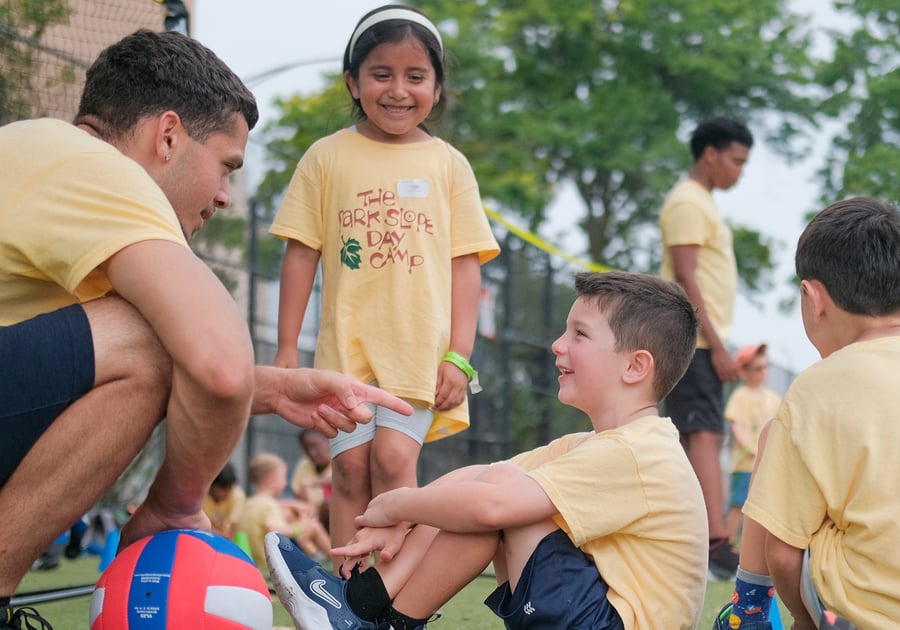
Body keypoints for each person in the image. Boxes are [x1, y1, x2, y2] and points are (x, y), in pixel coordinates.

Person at [0, 29, 413, 629]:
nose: (224, 196)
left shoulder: (39, 155)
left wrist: (267, 388)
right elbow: (215, 367)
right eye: (227, 166)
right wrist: (172, 507)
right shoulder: (96, 167)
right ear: (166, 136)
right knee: (152, 337)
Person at [265, 271, 709, 630]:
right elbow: (476, 476)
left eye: (579, 334)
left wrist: (396, 502)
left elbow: (492, 500)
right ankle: (366, 607)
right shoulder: (599, 446)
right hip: (593, 614)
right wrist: (403, 516)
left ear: (635, 366)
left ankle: (375, 617)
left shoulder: (640, 452)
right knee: (487, 489)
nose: (558, 344)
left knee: (498, 501)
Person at [269, 4, 500, 557]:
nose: (398, 90)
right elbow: (300, 255)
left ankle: (396, 596)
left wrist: (460, 357)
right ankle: (350, 598)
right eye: (381, 74)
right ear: (353, 81)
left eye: (415, 76)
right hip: (344, 351)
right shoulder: (325, 158)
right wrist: (283, 350)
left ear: (437, 88)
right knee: (348, 472)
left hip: (419, 351)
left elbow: (465, 266)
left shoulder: (449, 165)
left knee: (393, 461)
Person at [712, 197, 900, 630]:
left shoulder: (817, 387)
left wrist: (803, 620)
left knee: (772, 436)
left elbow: (781, 552)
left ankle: (749, 610)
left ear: (813, 299)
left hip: (859, 612)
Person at [658, 115, 754, 580]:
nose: (740, 172)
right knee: (703, 434)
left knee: (698, 433)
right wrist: (715, 346)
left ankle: (698, 536)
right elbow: (686, 276)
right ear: (710, 154)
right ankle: (715, 542)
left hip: (702, 341)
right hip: (692, 341)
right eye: (736, 161)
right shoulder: (688, 202)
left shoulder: (703, 203)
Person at [723, 344, 781, 545]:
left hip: (767, 465)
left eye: (765, 367)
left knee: (763, 509)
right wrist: (750, 449)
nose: (763, 372)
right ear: (744, 371)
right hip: (746, 464)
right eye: (757, 368)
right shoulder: (741, 396)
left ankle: (755, 551)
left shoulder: (774, 399)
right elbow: (736, 425)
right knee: (739, 506)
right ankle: (727, 546)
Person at [239, 453, 331, 568]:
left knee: (302, 522)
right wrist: (300, 526)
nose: (285, 483)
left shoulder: (250, 502)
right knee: (312, 525)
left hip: (253, 559)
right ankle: (334, 557)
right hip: (268, 562)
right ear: (271, 480)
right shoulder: (268, 504)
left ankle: (317, 556)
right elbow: (275, 530)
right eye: (283, 478)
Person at [290, 429, 333, 530]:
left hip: (332, 517)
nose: (311, 453)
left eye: (315, 446)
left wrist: (313, 483)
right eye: (306, 448)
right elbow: (299, 497)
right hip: (309, 515)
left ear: (328, 441)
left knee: (330, 504)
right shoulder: (304, 464)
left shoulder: (339, 460)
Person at [202, 462, 247, 540]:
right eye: (224, 489)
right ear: (212, 486)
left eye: (230, 488)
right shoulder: (201, 496)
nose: (228, 493)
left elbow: (233, 527)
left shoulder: (237, 495)